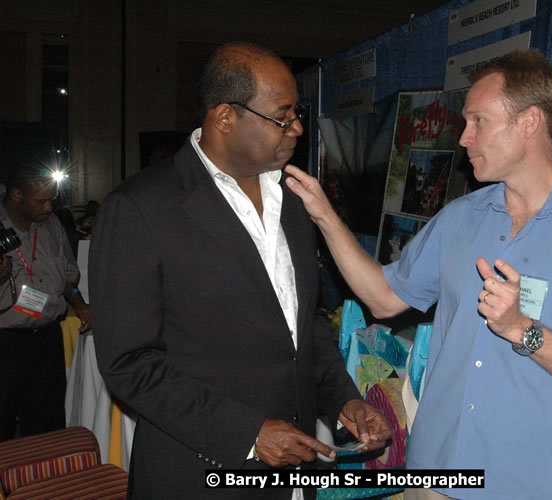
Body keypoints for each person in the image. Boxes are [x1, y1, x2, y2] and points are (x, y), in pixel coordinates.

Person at [285, 49, 552, 499]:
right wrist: (324, 216)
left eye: (478, 121)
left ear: (530, 122)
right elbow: (383, 297)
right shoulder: (460, 218)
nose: (464, 138)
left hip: (531, 486)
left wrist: (521, 329)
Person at [89, 41, 390, 500]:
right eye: (283, 115)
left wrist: (342, 399)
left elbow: (301, 325)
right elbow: (129, 363)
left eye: (297, 113)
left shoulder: (294, 201)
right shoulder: (140, 209)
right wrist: (247, 433)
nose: (298, 127)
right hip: (199, 474)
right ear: (226, 117)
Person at [0, 166, 91, 441]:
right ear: (17, 194)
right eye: (41, 200)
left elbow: (66, 275)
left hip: (48, 340)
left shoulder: (51, 225)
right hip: (6, 344)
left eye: (52, 199)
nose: (50, 206)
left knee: (47, 427)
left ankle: (42, 484)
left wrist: (79, 303)